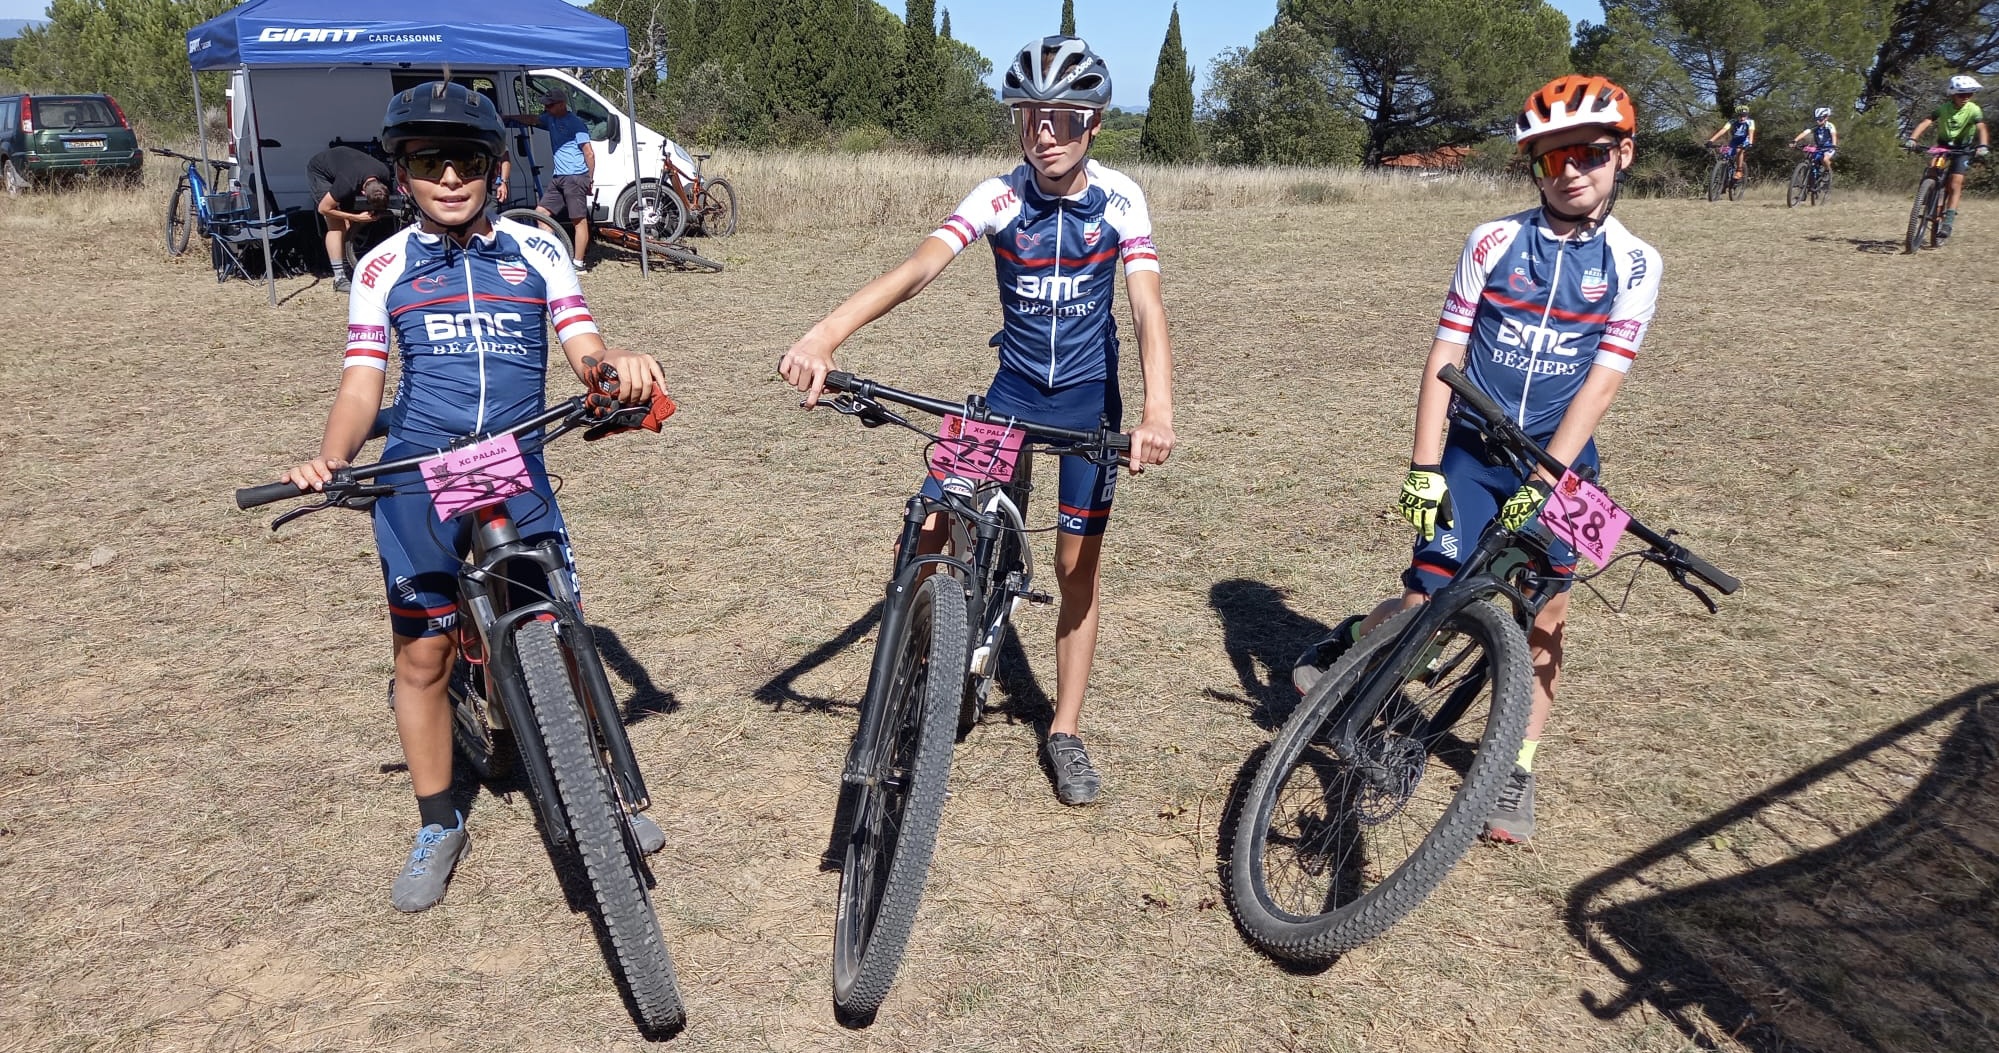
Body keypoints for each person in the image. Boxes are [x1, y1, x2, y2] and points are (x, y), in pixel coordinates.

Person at [277, 81, 666, 912]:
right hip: (419, 473)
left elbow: (582, 347)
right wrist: (329, 457)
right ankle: (437, 822)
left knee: (560, 634)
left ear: (495, 169)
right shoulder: (381, 267)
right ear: (402, 171)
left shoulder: (539, 249)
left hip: (512, 467)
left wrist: (613, 370)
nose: (448, 176)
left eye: (467, 160)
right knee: (423, 656)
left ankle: (598, 787)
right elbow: (360, 385)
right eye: (427, 161)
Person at [777, 36, 1175, 806]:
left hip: (1087, 410)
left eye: (1060, 118)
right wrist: (824, 335)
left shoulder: (1121, 199)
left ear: (1092, 123)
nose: (1043, 134)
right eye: (1028, 117)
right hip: (1009, 399)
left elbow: (1147, 308)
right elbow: (918, 268)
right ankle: (932, 657)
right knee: (936, 530)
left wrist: (1157, 410)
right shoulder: (996, 196)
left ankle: (1063, 730)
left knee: (1071, 570)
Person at [1292, 74, 1664, 844]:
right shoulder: (1491, 241)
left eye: (1589, 154)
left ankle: (1514, 765)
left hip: (1565, 463)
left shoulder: (1636, 263)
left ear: (1622, 155)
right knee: (1432, 594)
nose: (1568, 171)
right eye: (1549, 157)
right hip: (1468, 446)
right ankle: (1357, 635)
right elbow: (1445, 352)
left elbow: (1601, 384)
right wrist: (1423, 464)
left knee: (1549, 613)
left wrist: (1544, 480)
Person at [504, 87, 595, 270]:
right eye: (545, 105)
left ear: (562, 104)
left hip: (575, 176)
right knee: (541, 213)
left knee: (578, 220)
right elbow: (532, 119)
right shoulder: (550, 118)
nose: (546, 109)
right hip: (559, 176)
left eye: (550, 105)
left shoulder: (575, 124)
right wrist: (509, 117)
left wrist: (589, 179)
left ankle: (578, 264)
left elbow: (589, 153)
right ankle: (553, 255)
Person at [1905, 74, 1990, 240]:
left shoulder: (1973, 109)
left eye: (1969, 94)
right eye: (1961, 94)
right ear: (1952, 94)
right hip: (1943, 145)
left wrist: (1983, 145)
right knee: (1932, 170)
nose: (1966, 98)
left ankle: (1948, 221)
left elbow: (1981, 127)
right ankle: (1928, 195)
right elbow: (1927, 121)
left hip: (1963, 148)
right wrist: (1912, 139)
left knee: (1954, 183)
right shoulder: (1943, 108)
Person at [307, 144, 391, 292]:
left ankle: (348, 265)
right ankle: (339, 279)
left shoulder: (384, 173)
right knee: (337, 226)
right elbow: (324, 209)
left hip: (345, 165)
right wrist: (356, 217)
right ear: (363, 193)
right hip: (321, 170)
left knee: (348, 224)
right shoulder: (347, 183)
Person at [1707, 103, 1756, 182]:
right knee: (1724, 153)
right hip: (1734, 141)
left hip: (1744, 140)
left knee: (1739, 150)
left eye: (1745, 116)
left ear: (1747, 115)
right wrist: (1711, 140)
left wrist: (1750, 142)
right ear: (1737, 115)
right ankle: (1724, 179)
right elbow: (1723, 130)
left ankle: (1739, 170)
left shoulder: (1750, 122)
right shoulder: (1732, 121)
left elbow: (1751, 131)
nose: (1743, 118)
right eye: (1741, 116)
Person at [1791, 106, 1839, 175]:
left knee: (1825, 159)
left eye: (1820, 119)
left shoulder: (1830, 126)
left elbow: (1833, 135)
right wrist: (1795, 140)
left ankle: (1827, 172)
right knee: (1812, 160)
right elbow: (1805, 133)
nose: (1817, 121)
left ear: (1826, 118)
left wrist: (1834, 145)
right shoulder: (1815, 126)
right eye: (1816, 119)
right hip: (1819, 146)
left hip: (1829, 147)